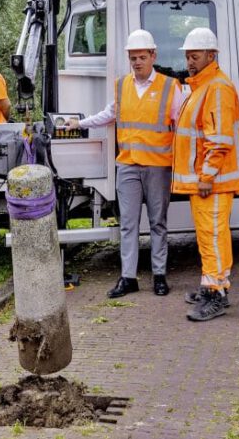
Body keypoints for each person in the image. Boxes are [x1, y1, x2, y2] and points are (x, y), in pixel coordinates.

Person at [68, 29, 185, 298]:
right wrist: (80, 123)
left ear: (153, 56)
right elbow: (108, 115)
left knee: (158, 223)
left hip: (158, 166)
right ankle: (128, 278)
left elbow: (183, 125)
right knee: (128, 224)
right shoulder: (122, 86)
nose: (137, 62)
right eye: (133, 58)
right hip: (128, 166)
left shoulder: (170, 86)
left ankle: (159, 276)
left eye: (142, 57)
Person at [171, 27, 239, 322]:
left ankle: (216, 293)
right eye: (188, 56)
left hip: (213, 182)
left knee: (213, 234)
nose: (190, 61)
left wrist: (206, 176)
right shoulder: (203, 85)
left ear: (211, 55)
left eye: (195, 56)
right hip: (206, 180)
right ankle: (212, 284)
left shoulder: (216, 88)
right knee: (210, 234)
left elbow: (218, 139)